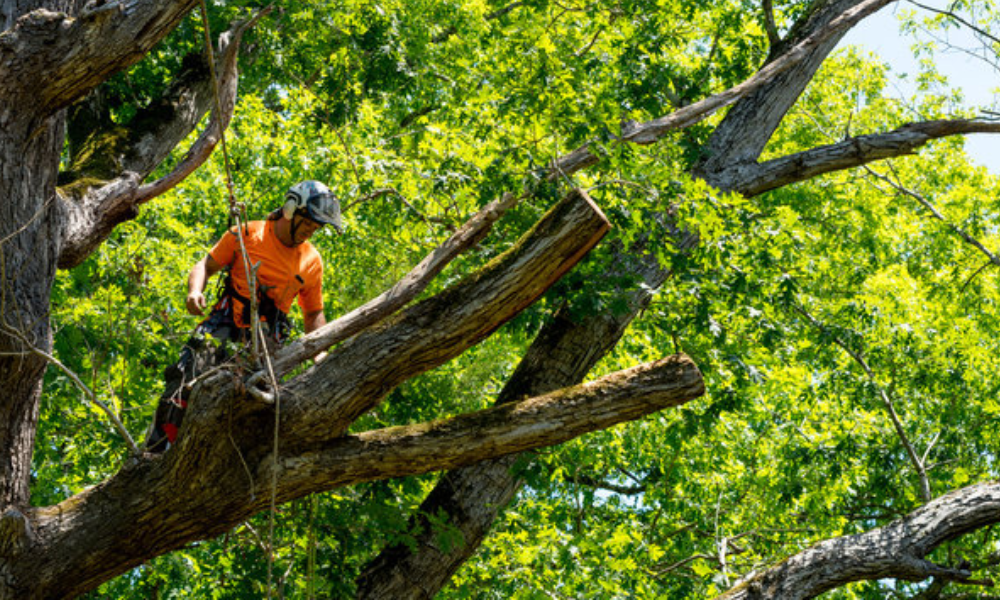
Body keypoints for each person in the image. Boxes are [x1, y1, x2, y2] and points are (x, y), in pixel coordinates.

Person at [145, 180, 342, 453]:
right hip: (225, 324)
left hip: (266, 340)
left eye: (317, 227)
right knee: (183, 383)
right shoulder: (248, 233)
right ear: (290, 209)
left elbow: (313, 313)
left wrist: (320, 352)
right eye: (308, 223)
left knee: (256, 407)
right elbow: (206, 265)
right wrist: (194, 292)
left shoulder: (311, 261)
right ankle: (157, 450)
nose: (311, 231)